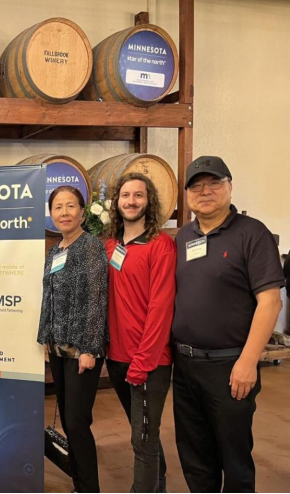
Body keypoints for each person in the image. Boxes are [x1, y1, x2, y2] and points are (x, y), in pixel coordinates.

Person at [172, 156, 284, 492]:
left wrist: (248, 362)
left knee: (234, 458)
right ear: (187, 194)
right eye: (196, 186)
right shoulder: (183, 237)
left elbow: (270, 302)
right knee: (194, 455)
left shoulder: (252, 233)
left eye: (214, 183)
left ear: (230, 187)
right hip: (185, 365)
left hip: (230, 366)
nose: (205, 191)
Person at [104, 173, 176, 493]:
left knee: (142, 440)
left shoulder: (161, 246)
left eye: (138, 195)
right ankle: (158, 485)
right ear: (117, 202)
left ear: (149, 201)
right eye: (125, 195)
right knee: (144, 433)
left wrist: (143, 362)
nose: (131, 201)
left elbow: (161, 309)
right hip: (117, 358)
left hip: (148, 362)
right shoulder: (111, 245)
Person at [37, 185, 108, 493]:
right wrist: (46, 338)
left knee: (78, 423)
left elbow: (96, 299)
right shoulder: (55, 250)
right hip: (58, 348)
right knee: (68, 421)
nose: (64, 213)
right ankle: (80, 484)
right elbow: (49, 297)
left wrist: (90, 349)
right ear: (51, 214)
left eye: (70, 206)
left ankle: (89, 488)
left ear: (82, 211)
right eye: (58, 207)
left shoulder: (91, 247)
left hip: (82, 350)